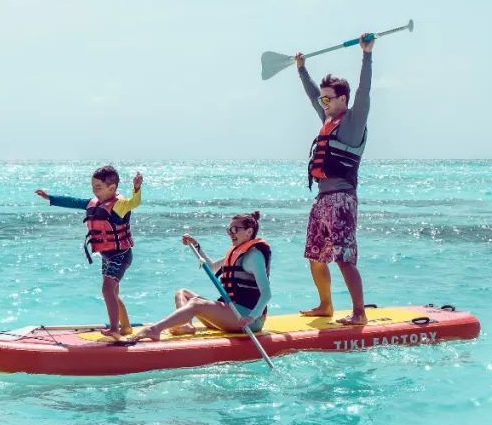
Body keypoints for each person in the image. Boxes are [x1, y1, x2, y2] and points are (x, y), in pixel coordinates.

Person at [294, 32, 373, 325]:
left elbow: (364, 91)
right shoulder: (327, 118)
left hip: (341, 199)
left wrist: (367, 54)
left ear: (342, 99)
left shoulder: (353, 122)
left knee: (343, 257)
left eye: (328, 98)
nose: (323, 102)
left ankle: (359, 313)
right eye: (322, 98)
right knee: (315, 255)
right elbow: (312, 93)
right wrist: (301, 69)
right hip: (322, 198)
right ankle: (325, 305)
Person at [36, 166, 142, 339]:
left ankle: (114, 329)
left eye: (98, 187)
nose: (94, 190)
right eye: (93, 186)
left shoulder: (120, 205)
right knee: (113, 292)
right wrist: (50, 197)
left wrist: (136, 189)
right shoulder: (95, 203)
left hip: (121, 255)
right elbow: (74, 202)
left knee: (107, 290)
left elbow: (134, 203)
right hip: (107, 255)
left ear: (112, 188)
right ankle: (126, 327)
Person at [130, 212, 271, 342]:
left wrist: (251, 317)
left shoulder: (254, 256)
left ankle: (154, 330)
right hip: (231, 313)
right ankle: (186, 325)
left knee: (197, 303)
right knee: (183, 294)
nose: (230, 233)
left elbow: (266, 294)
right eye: (229, 230)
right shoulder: (236, 253)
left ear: (249, 231)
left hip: (248, 319)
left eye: (235, 229)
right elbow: (211, 267)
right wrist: (196, 246)